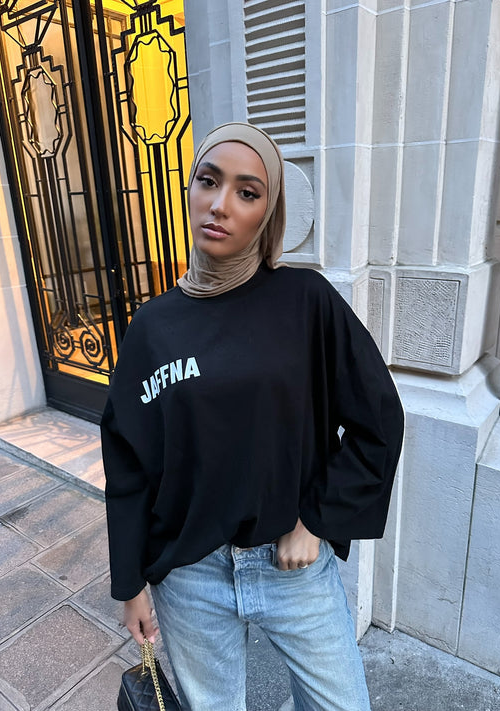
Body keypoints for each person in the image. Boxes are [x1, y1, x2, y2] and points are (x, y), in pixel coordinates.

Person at [101, 122, 404, 711]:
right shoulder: (152, 326)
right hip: (189, 576)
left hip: (293, 566)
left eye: (247, 192)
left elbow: (378, 418)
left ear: (269, 212)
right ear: (189, 189)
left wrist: (316, 521)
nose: (220, 204)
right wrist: (129, 584)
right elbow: (128, 462)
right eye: (207, 181)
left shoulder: (304, 301)